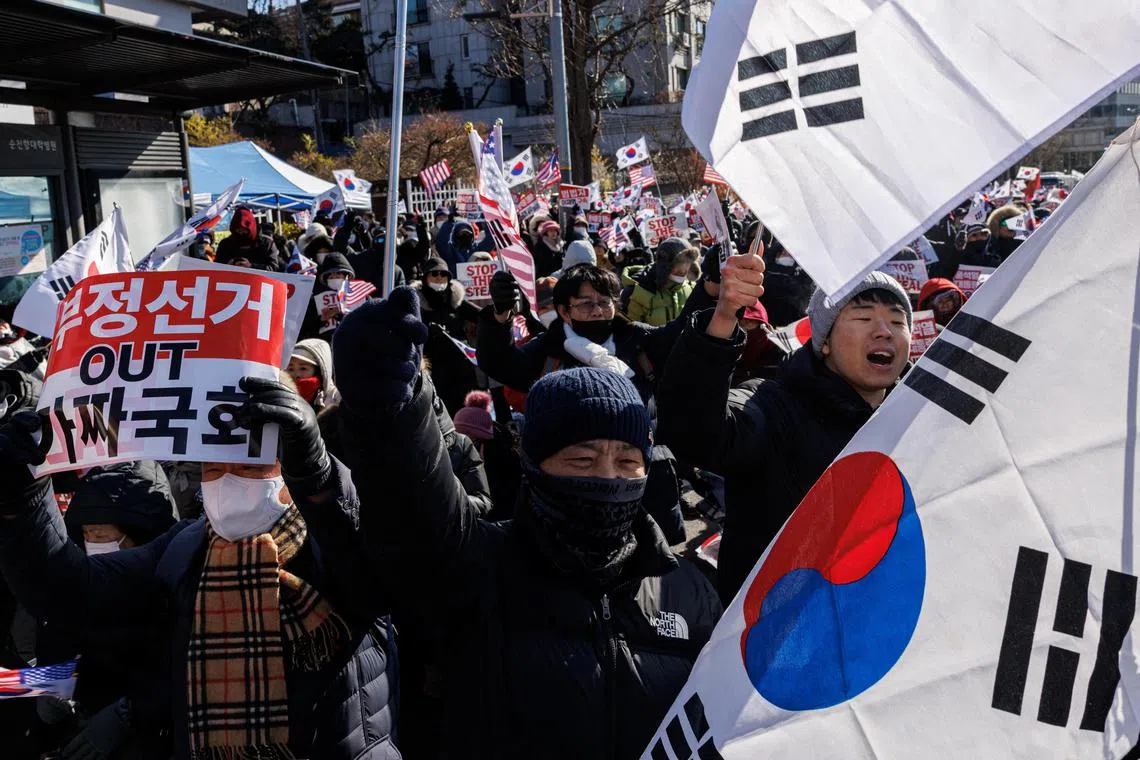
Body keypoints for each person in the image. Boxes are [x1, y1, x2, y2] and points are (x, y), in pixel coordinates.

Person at [330, 291, 723, 759]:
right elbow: (415, 508)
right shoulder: (479, 566)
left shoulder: (689, 589)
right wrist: (391, 409)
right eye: (581, 459)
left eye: (627, 460)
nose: (607, 476)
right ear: (533, 461)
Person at [0, 378, 400, 760]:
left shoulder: (331, 537)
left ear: (287, 467)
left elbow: (377, 581)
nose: (227, 483)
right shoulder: (184, 549)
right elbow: (69, 591)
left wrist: (321, 479)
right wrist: (24, 497)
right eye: (212, 469)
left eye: (248, 469)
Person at [657, 251, 913, 602]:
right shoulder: (773, 407)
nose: (884, 332)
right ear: (823, 341)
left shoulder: (919, 420)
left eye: (897, 322)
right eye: (864, 317)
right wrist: (722, 317)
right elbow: (694, 431)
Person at [623, 237, 700, 327]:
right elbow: (631, 333)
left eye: (688, 263)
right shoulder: (638, 292)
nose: (684, 269)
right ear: (665, 265)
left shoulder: (691, 287)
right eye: (679, 263)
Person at [414, 256, 481, 341]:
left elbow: (483, 315)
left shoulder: (456, 300)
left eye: (443, 274)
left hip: (455, 351)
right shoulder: (415, 301)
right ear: (425, 278)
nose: (439, 278)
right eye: (434, 274)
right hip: (426, 352)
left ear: (448, 278)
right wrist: (427, 330)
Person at [300, 252, 357, 341]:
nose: (335, 279)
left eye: (338, 276)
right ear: (325, 280)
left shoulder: (360, 296)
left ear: (347, 276)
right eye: (331, 277)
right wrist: (320, 320)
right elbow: (305, 329)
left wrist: (342, 312)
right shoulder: (315, 301)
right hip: (325, 344)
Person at [213, 207, 284, 271]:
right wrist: (228, 264)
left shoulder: (266, 243)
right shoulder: (226, 244)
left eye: (244, 230)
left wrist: (251, 266)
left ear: (251, 228)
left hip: (258, 283)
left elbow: (274, 268)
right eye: (238, 230)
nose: (241, 233)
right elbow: (215, 267)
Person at [286, 338, 341, 413]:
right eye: (291, 369)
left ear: (319, 371)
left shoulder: (337, 398)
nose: (296, 374)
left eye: (303, 368)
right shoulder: (282, 398)